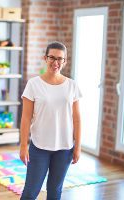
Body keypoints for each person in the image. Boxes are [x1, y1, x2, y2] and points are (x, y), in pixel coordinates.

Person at [20, 41, 82, 200]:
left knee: (55, 192)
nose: (56, 62)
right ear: (45, 58)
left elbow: (77, 119)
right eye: (52, 58)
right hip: (39, 147)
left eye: (60, 59)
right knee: (30, 192)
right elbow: (26, 118)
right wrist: (23, 147)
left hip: (65, 148)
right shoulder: (33, 84)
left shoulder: (72, 86)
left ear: (65, 61)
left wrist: (78, 146)